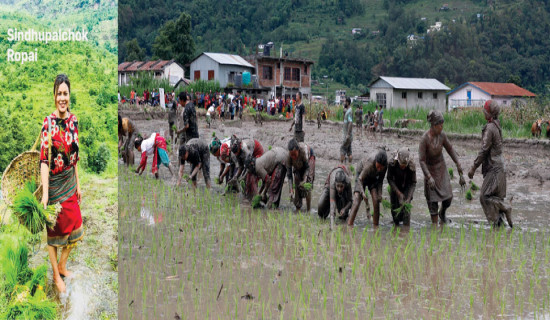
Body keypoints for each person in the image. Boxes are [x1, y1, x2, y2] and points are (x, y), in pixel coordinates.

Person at [40, 74, 83, 293]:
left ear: (69, 95)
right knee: (54, 233)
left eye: (65, 93)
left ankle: (63, 266)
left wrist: (78, 184)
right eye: (59, 94)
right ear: (54, 96)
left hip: (69, 182)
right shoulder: (48, 124)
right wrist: (46, 194)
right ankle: (56, 275)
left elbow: (75, 156)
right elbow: (44, 162)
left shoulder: (74, 121)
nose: (62, 98)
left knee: (76, 227)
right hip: (55, 186)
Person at [467, 100, 512, 227]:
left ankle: (505, 207)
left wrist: (473, 167)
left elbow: (484, 150)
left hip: (494, 167)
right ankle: (499, 234)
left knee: (484, 197)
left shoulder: (490, 128)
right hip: (500, 166)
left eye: (485, 110)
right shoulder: (497, 125)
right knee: (496, 199)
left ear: (489, 113)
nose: (483, 112)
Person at [419, 110, 466, 224]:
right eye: (440, 125)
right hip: (430, 170)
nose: (442, 127)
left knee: (448, 197)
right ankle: (435, 227)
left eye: (442, 124)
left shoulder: (442, 136)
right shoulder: (425, 139)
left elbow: (450, 149)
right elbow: (421, 160)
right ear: (434, 125)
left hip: (441, 168)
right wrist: (429, 177)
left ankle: (443, 213)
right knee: (433, 202)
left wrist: (458, 164)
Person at [347, 148, 388, 227]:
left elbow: (380, 181)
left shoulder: (385, 166)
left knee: (376, 201)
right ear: (376, 161)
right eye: (378, 166)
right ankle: (349, 225)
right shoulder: (369, 163)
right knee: (357, 200)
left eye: (381, 168)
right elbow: (360, 179)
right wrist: (362, 193)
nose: (379, 169)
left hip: (373, 178)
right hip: (361, 176)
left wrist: (380, 194)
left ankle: (376, 227)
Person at [387, 148, 417, 226]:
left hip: (407, 185)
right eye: (401, 166)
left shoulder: (412, 164)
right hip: (395, 185)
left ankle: (406, 230)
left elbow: (413, 183)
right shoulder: (392, 163)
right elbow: (389, 178)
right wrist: (398, 193)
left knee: (406, 211)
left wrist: (409, 198)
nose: (403, 167)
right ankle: (396, 226)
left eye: (404, 166)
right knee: (395, 212)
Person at [287, 138, 315, 212]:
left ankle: (308, 209)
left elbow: (307, 168)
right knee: (297, 181)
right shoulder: (289, 157)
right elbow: (289, 175)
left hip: (309, 159)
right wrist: (291, 190)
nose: (293, 157)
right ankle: (298, 207)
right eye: (291, 155)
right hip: (299, 165)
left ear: (298, 150)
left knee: (308, 183)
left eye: (294, 154)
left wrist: (304, 180)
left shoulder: (303, 152)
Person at [340, 98, 353, 163]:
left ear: (347, 103)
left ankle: (341, 167)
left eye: (345, 102)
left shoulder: (349, 112)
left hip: (347, 136)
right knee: (349, 152)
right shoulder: (347, 111)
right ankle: (350, 167)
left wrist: (347, 134)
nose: (344, 103)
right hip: (349, 136)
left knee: (342, 150)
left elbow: (350, 123)